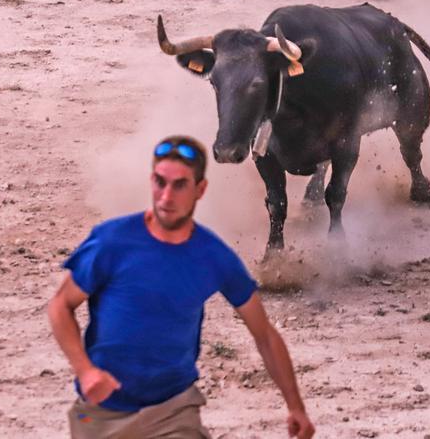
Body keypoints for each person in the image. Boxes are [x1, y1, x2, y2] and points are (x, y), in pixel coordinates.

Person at [47, 135, 315, 439]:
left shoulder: (212, 256)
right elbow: (61, 305)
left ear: (200, 190)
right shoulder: (112, 242)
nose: (166, 197)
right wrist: (85, 370)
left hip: (173, 414)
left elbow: (264, 334)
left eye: (179, 185)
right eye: (160, 182)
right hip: (101, 415)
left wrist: (296, 407)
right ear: (151, 181)